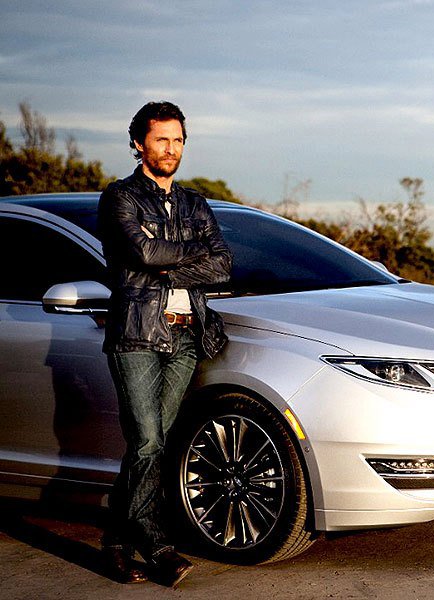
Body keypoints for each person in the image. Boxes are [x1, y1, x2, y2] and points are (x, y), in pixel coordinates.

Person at [97, 101, 232, 586]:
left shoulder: (196, 203)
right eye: (161, 139)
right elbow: (144, 250)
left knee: (150, 445)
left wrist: (167, 262)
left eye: (178, 140)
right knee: (149, 440)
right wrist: (187, 254)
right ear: (139, 143)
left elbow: (223, 264)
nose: (171, 149)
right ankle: (157, 546)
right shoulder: (120, 198)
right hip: (136, 333)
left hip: (186, 333)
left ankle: (114, 542)